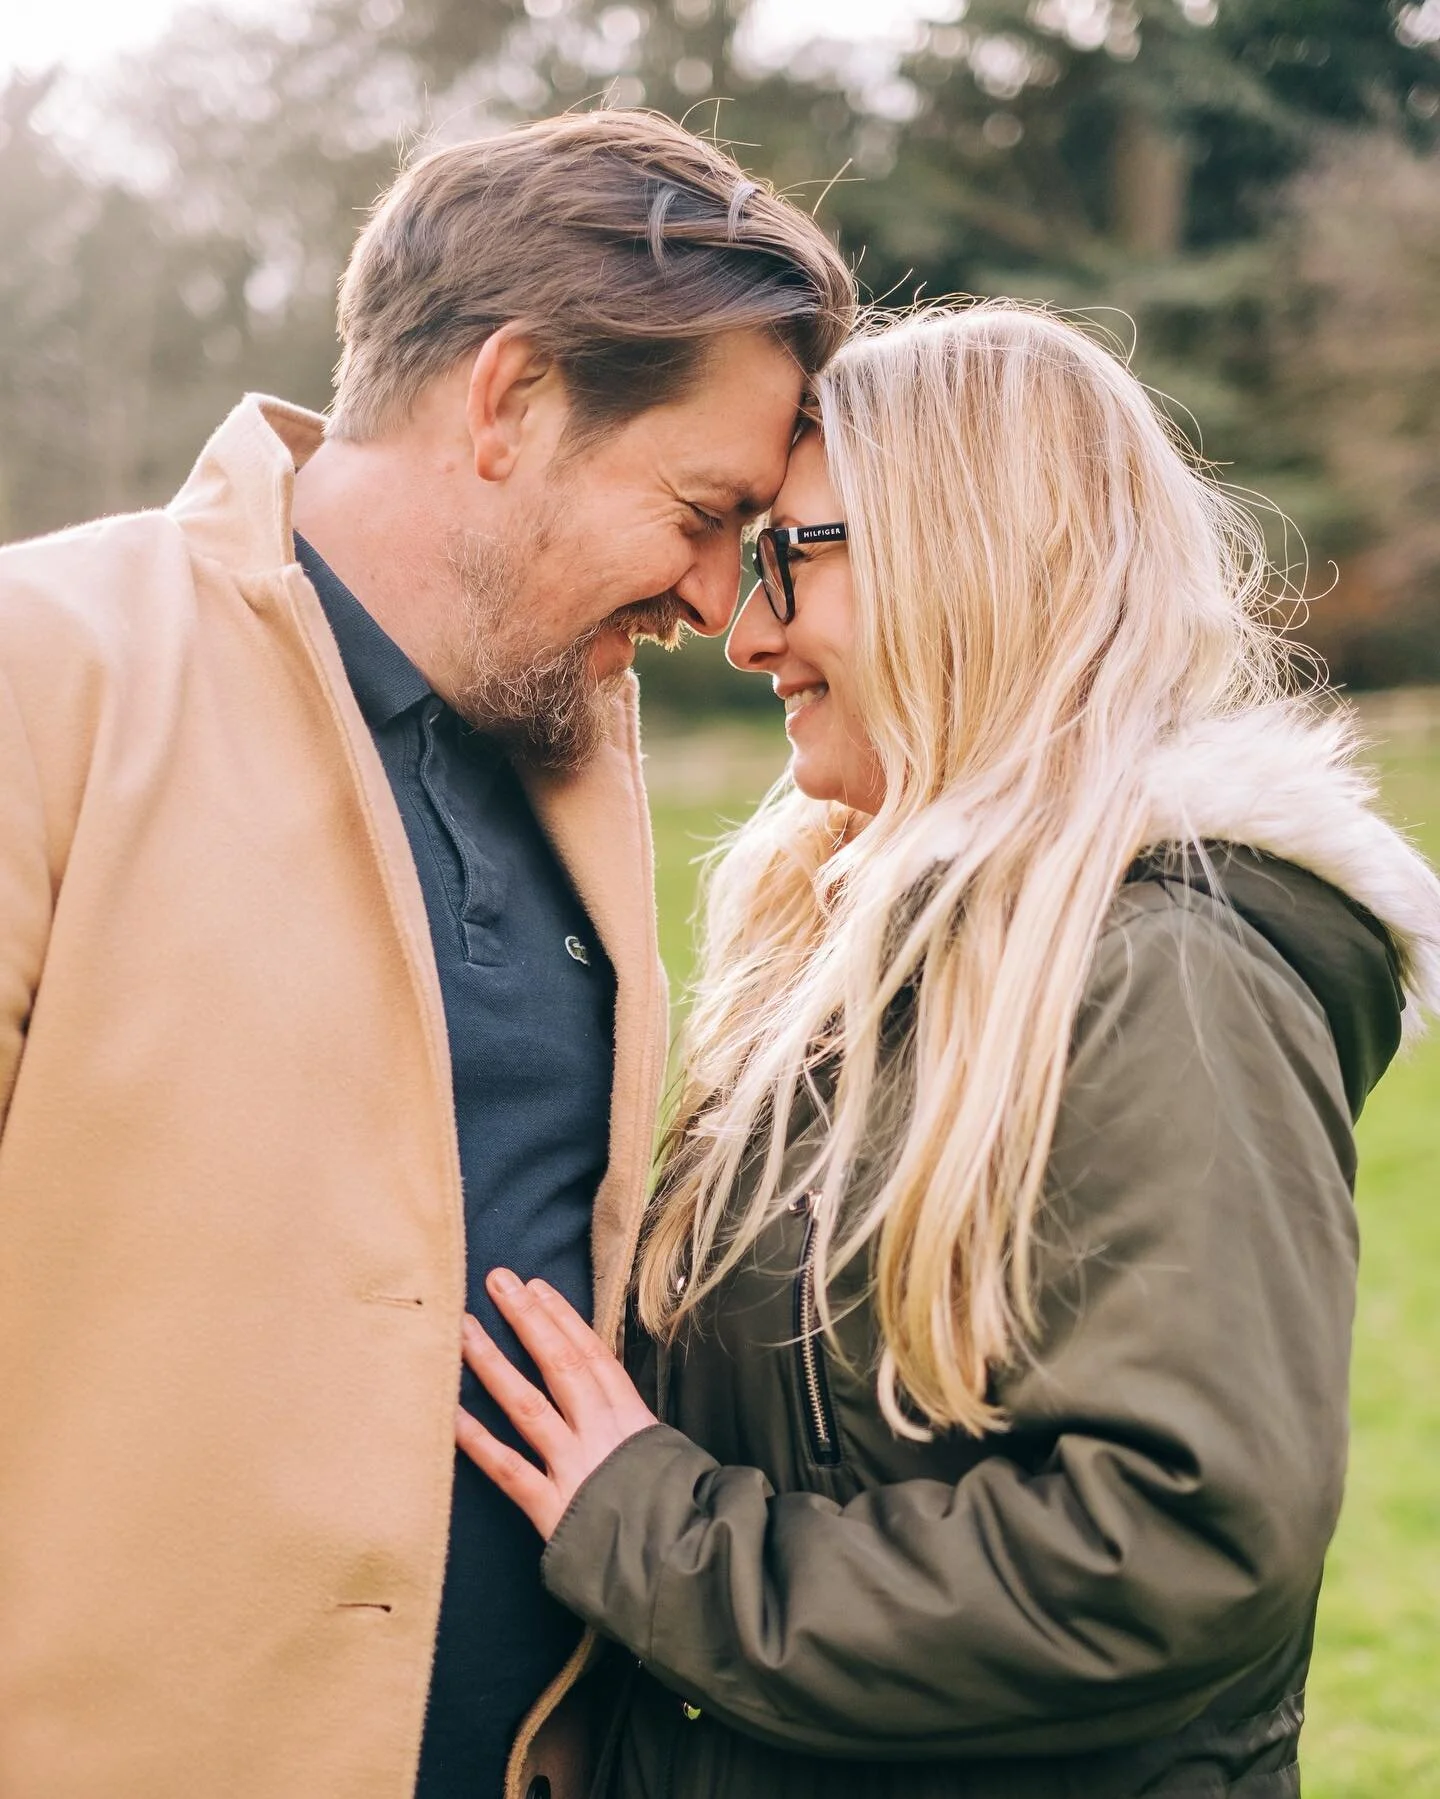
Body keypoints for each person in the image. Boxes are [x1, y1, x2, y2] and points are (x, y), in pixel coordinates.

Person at [454, 302, 1440, 1799]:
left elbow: (1169, 1547)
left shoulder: (1165, 975)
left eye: (791, 557)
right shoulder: (872, 955)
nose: (747, 629)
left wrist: (656, 1537)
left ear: (964, 556)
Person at [0, 111, 853, 1799]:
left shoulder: (568, 739)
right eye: (700, 510)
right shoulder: (44, 668)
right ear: (509, 398)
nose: (712, 599)